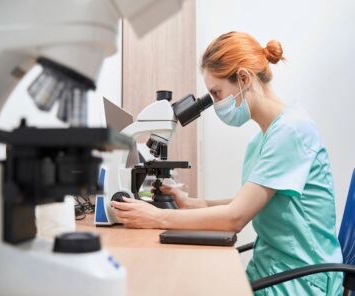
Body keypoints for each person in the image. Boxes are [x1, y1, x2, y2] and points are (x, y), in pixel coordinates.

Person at [112, 31, 343, 295]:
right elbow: (248, 201)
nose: (216, 103)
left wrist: (156, 217)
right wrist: (195, 204)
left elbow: (235, 218)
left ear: (243, 78)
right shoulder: (263, 138)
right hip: (271, 268)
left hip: (302, 280)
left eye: (217, 93)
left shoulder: (292, 132)